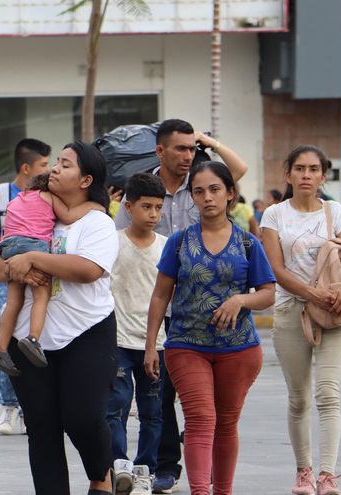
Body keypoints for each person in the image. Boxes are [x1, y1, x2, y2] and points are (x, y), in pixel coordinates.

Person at [113, 118, 250, 494]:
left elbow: (236, 173)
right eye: (181, 148)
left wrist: (211, 142)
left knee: (183, 398)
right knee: (163, 393)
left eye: (193, 148)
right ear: (160, 151)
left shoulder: (203, 186)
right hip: (160, 306)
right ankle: (165, 465)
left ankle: (178, 463)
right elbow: (125, 245)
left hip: (197, 313)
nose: (189, 155)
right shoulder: (144, 188)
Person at [0, 141, 118, 495]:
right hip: (27, 341)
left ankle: (100, 477)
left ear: (86, 179)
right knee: (42, 428)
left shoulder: (96, 222)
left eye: (66, 164)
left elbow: (88, 269)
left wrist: (33, 260)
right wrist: (16, 266)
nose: (56, 169)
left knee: (83, 418)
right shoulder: (33, 209)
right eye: (56, 162)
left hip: (86, 333)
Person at [143, 161, 275, 495]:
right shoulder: (179, 242)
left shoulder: (247, 243)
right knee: (201, 419)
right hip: (187, 345)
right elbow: (160, 296)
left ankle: (223, 491)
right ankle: (201, 491)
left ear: (230, 194)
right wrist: (150, 346)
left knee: (227, 424)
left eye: (215, 189)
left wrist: (240, 301)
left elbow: (268, 294)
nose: (207, 198)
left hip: (239, 348)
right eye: (199, 192)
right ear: (192, 199)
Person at [260, 144, 341, 495]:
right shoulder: (274, 215)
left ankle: (328, 474)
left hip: (335, 311)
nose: (306, 175)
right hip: (292, 310)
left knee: (328, 394)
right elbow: (275, 268)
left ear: (322, 175)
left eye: (314, 169)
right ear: (287, 174)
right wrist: (312, 293)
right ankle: (303, 472)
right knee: (299, 398)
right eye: (300, 169)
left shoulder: (334, 210)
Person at [0, 172, 106, 375]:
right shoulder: (48, 196)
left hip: (9, 247)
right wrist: (95, 207)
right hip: (33, 245)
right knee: (41, 296)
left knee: (14, 301)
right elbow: (68, 216)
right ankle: (33, 339)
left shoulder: (18, 199)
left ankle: (0, 348)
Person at [0, 138, 51, 435]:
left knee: (10, 319)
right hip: (12, 263)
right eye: (45, 165)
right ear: (28, 168)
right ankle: (9, 405)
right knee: (31, 305)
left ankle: (23, 401)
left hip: (10, 251)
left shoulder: (17, 200)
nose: (51, 170)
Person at [106, 173, 168, 495]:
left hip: (156, 344)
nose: (153, 215)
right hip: (117, 341)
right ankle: (121, 465)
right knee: (115, 406)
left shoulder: (166, 247)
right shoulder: (113, 243)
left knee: (152, 412)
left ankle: (146, 469)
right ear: (129, 207)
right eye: (147, 207)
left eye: (158, 207)